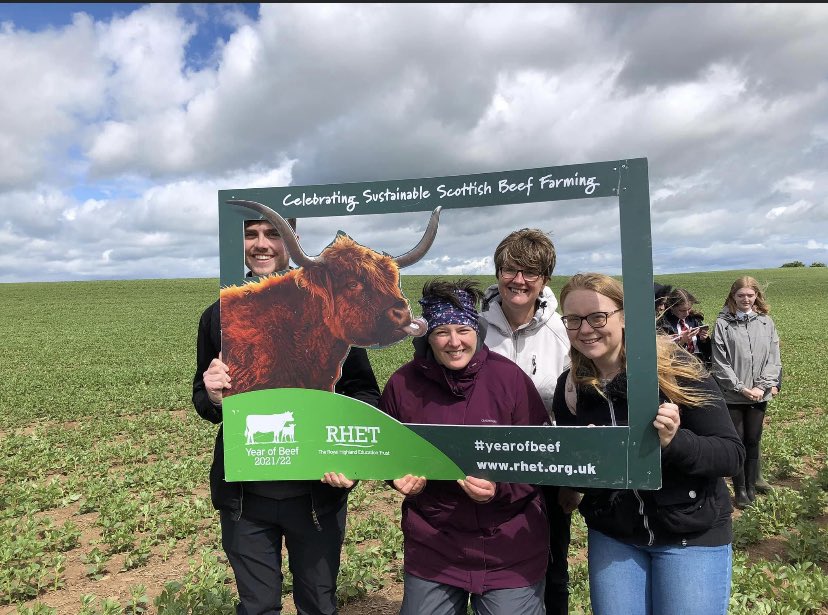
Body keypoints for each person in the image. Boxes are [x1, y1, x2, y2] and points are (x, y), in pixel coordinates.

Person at [193, 216, 381, 615]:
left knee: (317, 604)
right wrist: (212, 394)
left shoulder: (331, 308)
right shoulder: (219, 316)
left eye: (273, 233)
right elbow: (203, 400)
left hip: (315, 494)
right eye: (250, 234)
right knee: (257, 607)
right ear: (235, 242)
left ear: (292, 241)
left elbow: (363, 393)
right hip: (246, 498)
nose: (261, 244)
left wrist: (348, 455)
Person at [553, 273, 745, 615]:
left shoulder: (676, 370)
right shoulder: (570, 387)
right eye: (573, 319)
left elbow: (731, 455)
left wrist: (673, 442)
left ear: (625, 316)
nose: (585, 329)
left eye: (598, 316)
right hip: (615, 536)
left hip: (690, 533)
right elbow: (577, 478)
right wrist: (588, 460)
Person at [380, 279, 550, 615]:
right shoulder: (402, 384)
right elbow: (386, 449)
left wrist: (499, 488)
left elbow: (538, 456)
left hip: (508, 543)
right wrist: (396, 476)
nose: (454, 342)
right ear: (427, 336)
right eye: (442, 331)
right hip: (434, 544)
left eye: (463, 329)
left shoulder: (510, 380)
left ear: (478, 331)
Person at [480, 228, 572, 615]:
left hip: (544, 466)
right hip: (481, 463)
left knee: (553, 566)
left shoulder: (565, 330)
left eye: (530, 272)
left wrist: (571, 478)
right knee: (480, 562)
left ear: (545, 279)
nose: (519, 280)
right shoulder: (474, 325)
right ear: (498, 271)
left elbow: (574, 403)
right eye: (510, 269)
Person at [711, 276, 781, 509]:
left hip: (759, 394)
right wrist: (741, 388)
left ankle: (751, 486)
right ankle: (740, 490)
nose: (746, 299)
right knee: (738, 441)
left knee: (753, 439)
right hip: (733, 394)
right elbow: (720, 362)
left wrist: (761, 386)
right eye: (741, 295)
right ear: (733, 296)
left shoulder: (766, 322)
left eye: (750, 295)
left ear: (756, 297)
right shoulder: (722, 324)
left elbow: (774, 358)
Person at [658, 287, 712, 367]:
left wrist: (704, 340)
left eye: (689, 309)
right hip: (679, 368)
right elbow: (665, 355)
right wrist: (682, 342)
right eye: (682, 310)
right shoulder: (664, 325)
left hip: (700, 365)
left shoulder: (694, 320)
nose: (686, 313)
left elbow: (707, 352)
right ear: (671, 307)